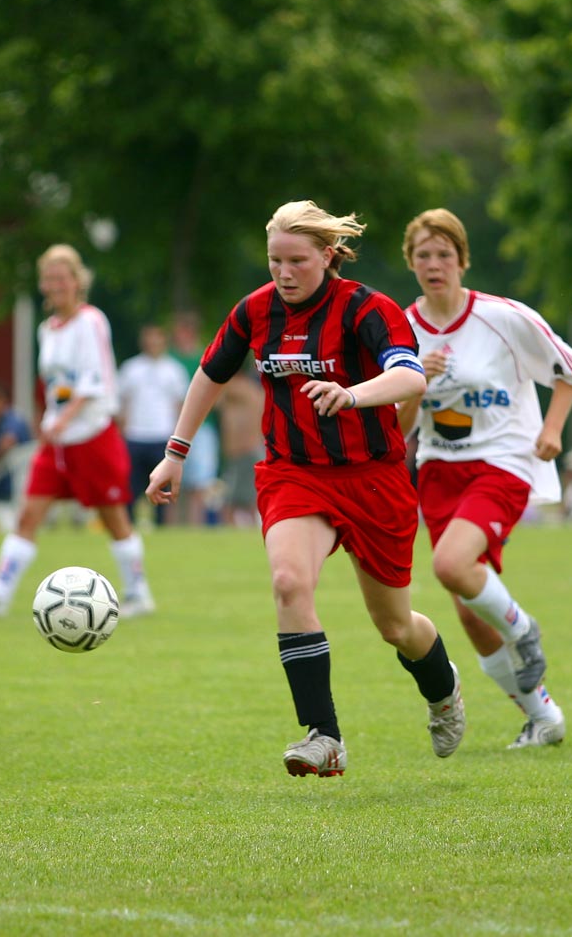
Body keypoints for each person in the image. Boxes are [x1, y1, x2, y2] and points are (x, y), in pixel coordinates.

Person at [146, 200, 464, 779]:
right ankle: (324, 735)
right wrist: (175, 452)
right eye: (274, 260)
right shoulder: (255, 312)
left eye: (297, 260)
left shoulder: (370, 308)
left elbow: (410, 375)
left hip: (375, 479)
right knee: (289, 582)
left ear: (328, 255)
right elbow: (211, 372)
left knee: (396, 626)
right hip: (295, 473)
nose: (284, 273)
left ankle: (442, 691)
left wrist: (352, 393)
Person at [396, 209, 572, 750]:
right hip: (437, 470)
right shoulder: (402, 329)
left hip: (502, 462)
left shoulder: (503, 317)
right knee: (466, 608)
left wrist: (552, 430)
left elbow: (569, 370)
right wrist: (414, 384)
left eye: (445, 254)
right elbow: (398, 427)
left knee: (450, 565)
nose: (435, 265)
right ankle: (542, 715)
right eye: (424, 256)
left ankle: (524, 629)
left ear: (463, 260)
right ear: (411, 263)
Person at [0, 244, 155, 618]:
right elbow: (52, 385)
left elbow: (93, 379)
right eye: (48, 278)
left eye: (62, 277)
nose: (55, 284)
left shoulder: (91, 321)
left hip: (93, 434)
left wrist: (65, 418)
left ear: (77, 281)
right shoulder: (48, 329)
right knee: (28, 514)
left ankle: (138, 594)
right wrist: (49, 419)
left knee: (113, 517)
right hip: (57, 441)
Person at [117, 324, 189, 526]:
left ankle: (162, 526)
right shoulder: (131, 368)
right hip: (135, 435)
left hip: (162, 436)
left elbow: (180, 406)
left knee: (162, 487)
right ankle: (128, 526)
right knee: (131, 487)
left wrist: (178, 437)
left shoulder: (174, 370)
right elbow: (123, 404)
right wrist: (122, 434)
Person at [169, 311, 220, 524]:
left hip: (203, 426)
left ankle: (195, 526)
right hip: (174, 426)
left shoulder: (206, 356)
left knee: (200, 483)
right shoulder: (169, 359)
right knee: (173, 479)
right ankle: (172, 527)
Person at [216, 364, 266, 528]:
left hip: (243, 450)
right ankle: (249, 530)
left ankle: (231, 531)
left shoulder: (238, 387)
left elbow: (213, 400)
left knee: (231, 502)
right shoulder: (256, 390)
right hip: (250, 450)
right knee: (247, 500)